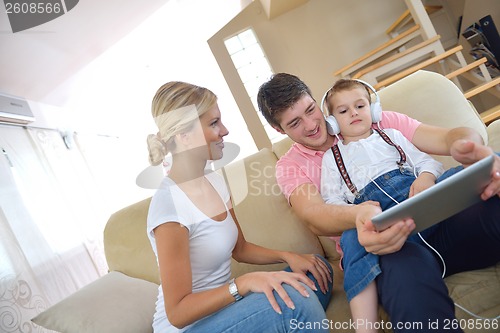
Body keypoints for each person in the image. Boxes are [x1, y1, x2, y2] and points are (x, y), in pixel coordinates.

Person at [257, 72, 500, 332]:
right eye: (294, 123)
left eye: (310, 110)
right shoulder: (291, 166)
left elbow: (451, 137)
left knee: (491, 172)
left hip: (441, 221)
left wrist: (471, 149)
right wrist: (360, 215)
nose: (310, 125)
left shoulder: (375, 120)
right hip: (387, 248)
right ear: (278, 129)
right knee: (407, 286)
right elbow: (314, 215)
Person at [145, 81, 333, 333]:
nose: (225, 131)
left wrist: (289, 256)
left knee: (315, 271)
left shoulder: (214, 181)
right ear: (184, 135)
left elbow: (240, 249)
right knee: (296, 303)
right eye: (213, 123)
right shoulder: (169, 206)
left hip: (226, 313)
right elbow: (178, 312)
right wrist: (244, 283)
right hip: (191, 328)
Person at [320, 78, 448, 333]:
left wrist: (426, 177)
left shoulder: (391, 136)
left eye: (360, 106)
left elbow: (428, 163)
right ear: (332, 123)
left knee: (464, 172)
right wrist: (357, 212)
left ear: (373, 110)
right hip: (379, 221)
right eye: (344, 111)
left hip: (418, 201)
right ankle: (366, 326)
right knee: (350, 236)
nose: (354, 113)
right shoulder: (331, 159)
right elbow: (332, 202)